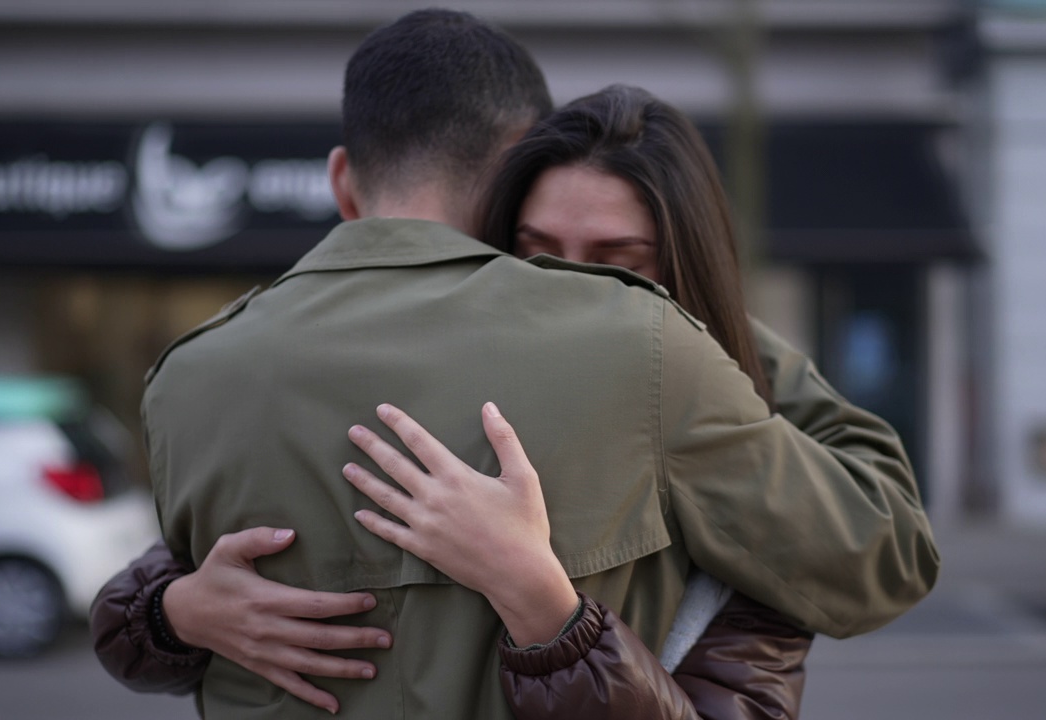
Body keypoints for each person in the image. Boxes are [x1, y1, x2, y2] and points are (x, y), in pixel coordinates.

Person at [96, 9, 938, 720]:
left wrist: (170, 614)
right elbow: (884, 557)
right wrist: (695, 318)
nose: (580, 283)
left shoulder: (187, 375)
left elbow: (164, 597)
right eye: (547, 252)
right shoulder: (641, 349)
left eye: (617, 262)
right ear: (513, 173)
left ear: (343, 179)